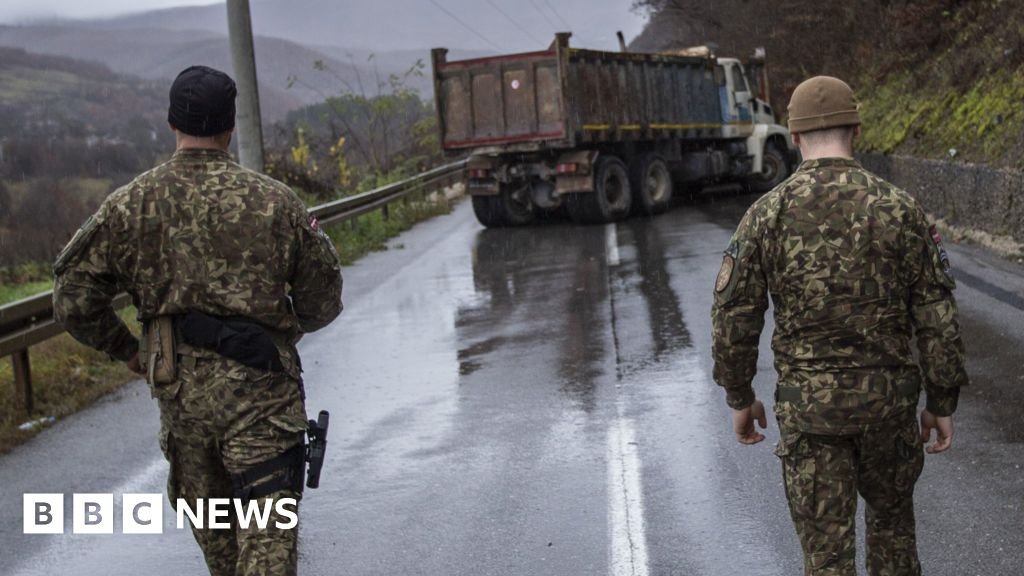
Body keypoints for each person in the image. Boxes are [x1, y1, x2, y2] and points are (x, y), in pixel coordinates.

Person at [53, 65, 343, 576]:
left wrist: (127, 350)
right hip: (263, 400)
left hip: (183, 404)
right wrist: (285, 328)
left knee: (223, 553)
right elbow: (323, 299)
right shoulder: (275, 201)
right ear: (229, 127)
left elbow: (73, 298)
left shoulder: (128, 206)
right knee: (268, 544)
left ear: (173, 123)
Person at [710, 75, 968, 575]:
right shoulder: (900, 208)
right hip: (888, 409)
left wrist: (740, 397)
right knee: (894, 537)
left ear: (797, 136)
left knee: (826, 558)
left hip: (812, 417)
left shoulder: (766, 215)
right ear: (856, 128)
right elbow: (936, 313)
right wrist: (940, 401)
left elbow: (733, 313)